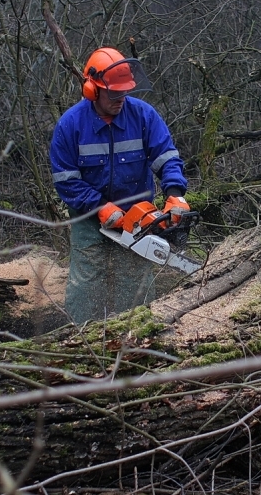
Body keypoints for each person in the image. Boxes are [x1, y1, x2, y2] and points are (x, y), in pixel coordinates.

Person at [49, 47, 190, 323]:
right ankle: (78, 335)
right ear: (93, 89)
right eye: (114, 93)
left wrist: (175, 194)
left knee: (135, 280)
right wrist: (99, 207)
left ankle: (136, 334)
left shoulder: (143, 116)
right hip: (89, 214)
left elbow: (167, 157)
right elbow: (66, 181)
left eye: (125, 92)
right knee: (87, 278)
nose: (121, 99)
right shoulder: (71, 126)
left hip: (136, 213)